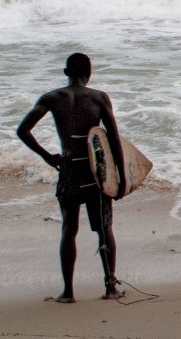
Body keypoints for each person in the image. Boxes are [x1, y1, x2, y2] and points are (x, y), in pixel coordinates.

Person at [16, 53, 126, 302]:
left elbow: (23, 130)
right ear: (89, 71)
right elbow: (114, 140)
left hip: (69, 171)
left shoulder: (52, 98)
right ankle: (110, 288)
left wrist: (47, 156)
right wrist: (120, 176)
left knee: (69, 229)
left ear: (66, 72)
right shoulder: (99, 98)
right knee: (104, 228)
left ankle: (68, 292)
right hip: (95, 172)